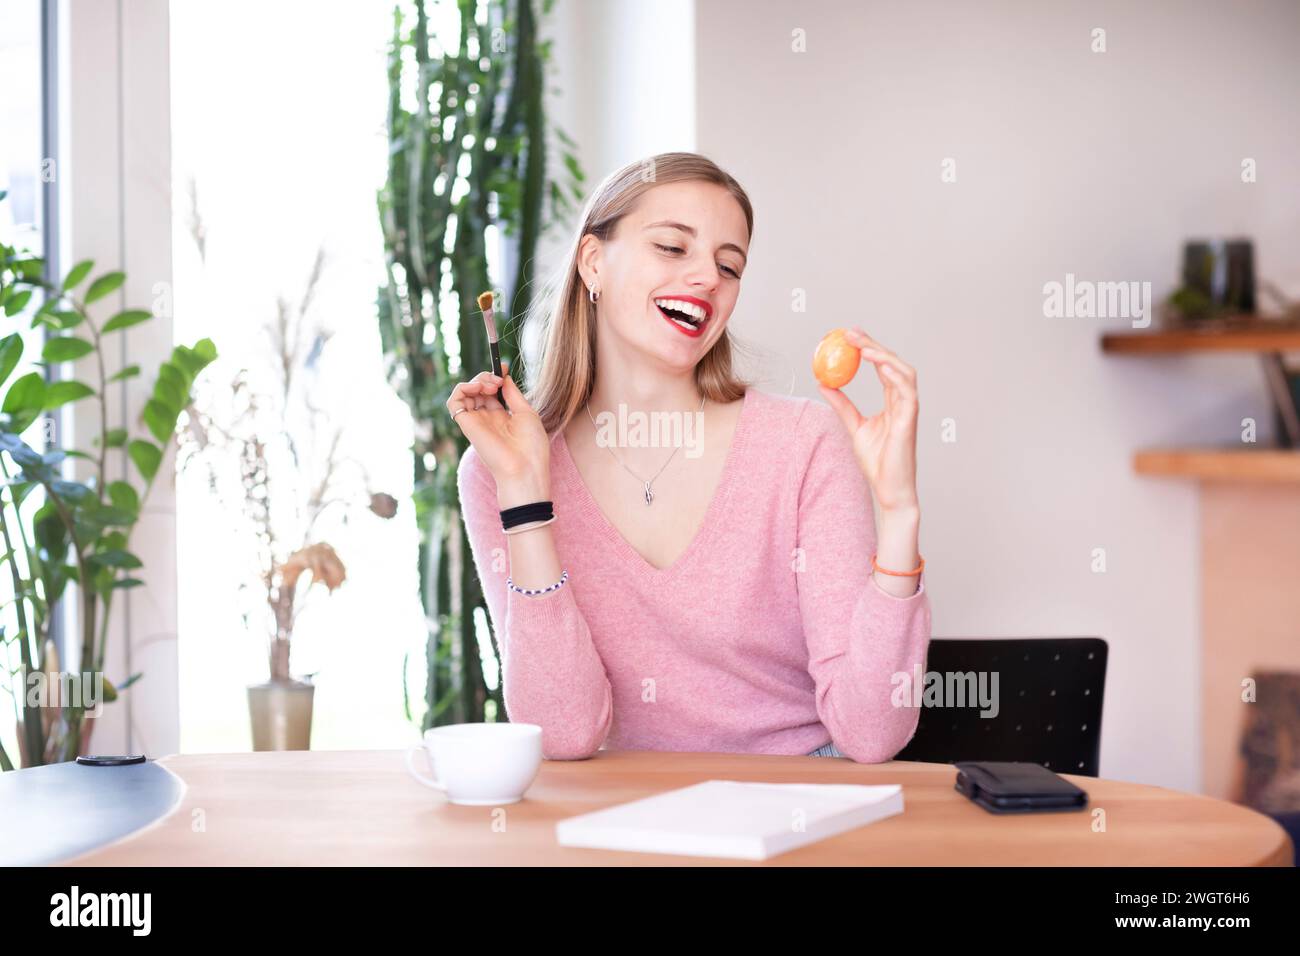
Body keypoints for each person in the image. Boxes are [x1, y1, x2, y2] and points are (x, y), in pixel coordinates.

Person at [447, 151, 929, 762]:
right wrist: (524, 491)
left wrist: (900, 510)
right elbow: (564, 734)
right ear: (593, 262)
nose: (708, 278)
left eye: (729, 266)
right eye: (673, 248)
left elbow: (870, 735)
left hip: (795, 812)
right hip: (618, 827)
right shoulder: (498, 470)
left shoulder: (804, 444)